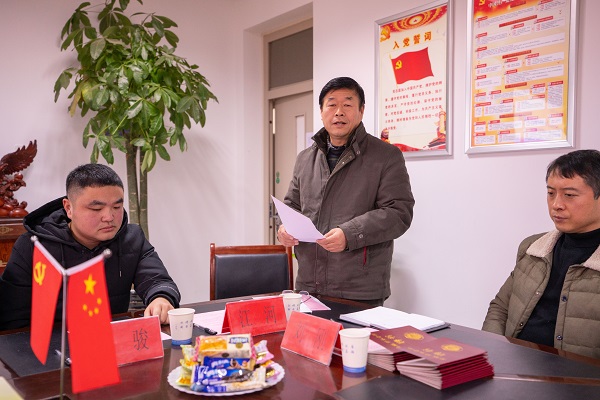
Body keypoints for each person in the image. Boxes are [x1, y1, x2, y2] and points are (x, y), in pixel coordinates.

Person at [277, 77, 414, 305]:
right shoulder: (305, 158)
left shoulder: (386, 156)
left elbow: (398, 213)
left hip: (359, 290)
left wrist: (349, 234)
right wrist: (284, 228)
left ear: (361, 111)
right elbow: (292, 205)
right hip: (309, 285)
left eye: (348, 104)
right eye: (331, 104)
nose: (339, 112)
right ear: (321, 112)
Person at [0, 163, 181, 330]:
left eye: (117, 207)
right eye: (96, 209)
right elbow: (12, 321)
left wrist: (161, 298)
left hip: (109, 341)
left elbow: (157, 281)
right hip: (53, 346)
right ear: (68, 208)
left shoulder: (132, 238)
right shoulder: (34, 246)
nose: (109, 217)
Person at [482, 149, 600, 359]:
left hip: (578, 376)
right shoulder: (533, 247)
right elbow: (500, 308)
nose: (556, 205)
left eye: (569, 195)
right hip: (513, 365)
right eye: (551, 193)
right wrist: (494, 353)